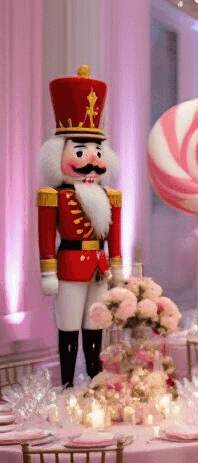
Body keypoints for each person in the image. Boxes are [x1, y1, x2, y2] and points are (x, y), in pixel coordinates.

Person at [37, 66, 123, 387]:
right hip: (70, 266)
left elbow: (114, 235)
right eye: (80, 150)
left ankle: (95, 379)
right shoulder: (53, 196)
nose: (91, 159)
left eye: (97, 151)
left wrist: (118, 266)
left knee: (95, 325)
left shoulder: (109, 195)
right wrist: (48, 271)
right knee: (69, 325)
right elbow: (46, 234)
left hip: (99, 267)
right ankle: (67, 385)